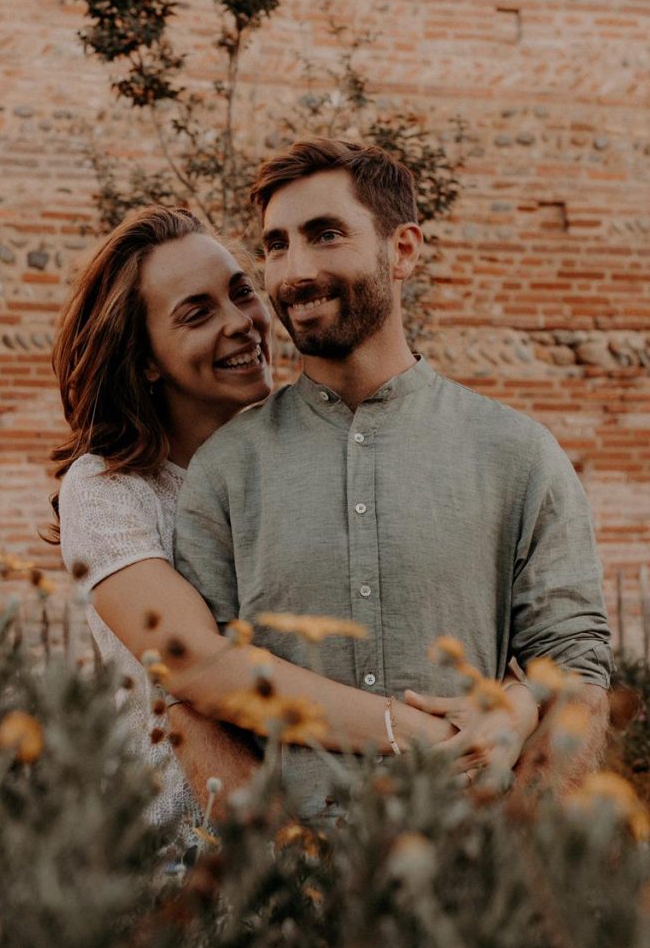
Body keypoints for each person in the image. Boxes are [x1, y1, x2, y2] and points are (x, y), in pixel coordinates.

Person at [50, 205, 529, 834]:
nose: (242, 324)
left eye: (241, 292)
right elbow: (197, 664)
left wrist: (511, 712)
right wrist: (409, 729)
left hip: (346, 828)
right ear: (145, 360)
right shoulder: (111, 488)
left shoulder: (314, 451)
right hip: (184, 849)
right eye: (196, 314)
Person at [174, 139, 612, 822]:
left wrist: (519, 872)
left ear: (402, 250)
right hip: (295, 901)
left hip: (468, 884)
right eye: (277, 245)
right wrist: (270, 877)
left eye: (324, 235)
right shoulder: (226, 470)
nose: (294, 271)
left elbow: (577, 678)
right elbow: (197, 700)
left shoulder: (518, 454)